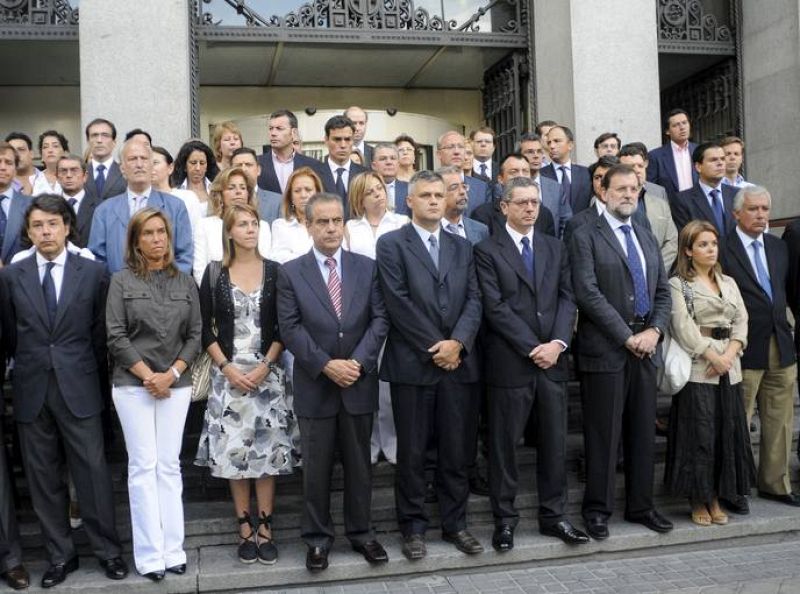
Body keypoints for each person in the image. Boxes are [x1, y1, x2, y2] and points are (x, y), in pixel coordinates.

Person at [0, 194, 128, 587]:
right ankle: (60, 555)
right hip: (31, 389)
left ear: (67, 226)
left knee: (91, 473)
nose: (45, 232)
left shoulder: (92, 273)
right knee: (43, 478)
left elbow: (98, 334)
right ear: (28, 231)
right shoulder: (11, 276)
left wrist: (83, 371)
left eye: (52, 224)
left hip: (80, 385)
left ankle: (108, 551)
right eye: (37, 226)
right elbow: (9, 334)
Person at [277, 192, 390, 571]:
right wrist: (327, 365)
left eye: (336, 221)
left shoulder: (367, 266)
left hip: (358, 382)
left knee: (360, 466)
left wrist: (356, 362)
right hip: (316, 385)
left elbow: (380, 320)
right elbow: (290, 329)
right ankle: (317, 540)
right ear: (308, 226)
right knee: (317, 469)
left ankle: (362, 534)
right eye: (322, 221)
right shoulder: (290, 272)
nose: (330, 228)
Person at [474, 177, 589, 551]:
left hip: (552, 362)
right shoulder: (487, 250)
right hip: (510, 363)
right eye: (521, 202)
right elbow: (495, 307)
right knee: (504, 447)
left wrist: (556, 343)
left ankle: (554, 516)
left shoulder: (555, 247)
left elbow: (567, 297)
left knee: (554, 443)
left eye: (534, 202)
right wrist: (531, 346)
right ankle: (505, 520)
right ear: (504, 207)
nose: (529, 208)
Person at [376, 170, 484, 560]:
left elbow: (475, 298)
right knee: (413, 454)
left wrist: (458, 343)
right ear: (409, 200)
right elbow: (397, 301)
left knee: (457, 451)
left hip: (459, 365)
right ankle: (413, 528)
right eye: (426, 195)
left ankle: (456, 525)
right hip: (413, 365)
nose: (435, 201)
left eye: (440, 194)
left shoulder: (463, 246)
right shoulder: (391, 244)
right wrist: (436, 346)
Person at [570, 164, 673, 540]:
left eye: (634, 189)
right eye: (621, 189)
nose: (629, 194)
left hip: (645, 347)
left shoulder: (644, 235)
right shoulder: (585, 235)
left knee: (643, 432)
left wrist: (655, 331)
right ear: (603, 193)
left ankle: (642, 506)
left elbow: (663, 291)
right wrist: (626, 336)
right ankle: (597, 511)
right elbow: (587, 292)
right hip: (607, 349)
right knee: (603, 435)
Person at [195, 203, 299, 565]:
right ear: (229, 232)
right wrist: (225, 367)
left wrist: (266, 365)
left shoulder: (276, 272)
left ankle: (266, 528)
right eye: (242, 224)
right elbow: (202, 327)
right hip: (228, 378)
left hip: (267, 376)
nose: (250, 229)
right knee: (235, 457)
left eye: (254, 223)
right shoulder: (214, 273)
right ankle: (244, 528)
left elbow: (285, 324)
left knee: (267, 456)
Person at [106, 208, 201, 581]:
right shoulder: (121, 281)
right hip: (133, 386)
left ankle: (173, 550)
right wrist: (149, 377)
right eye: (148, 233)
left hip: (175, 385)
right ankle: (149, 556)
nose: (157, 238)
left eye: (162, 231)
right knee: (142, 468)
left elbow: (195, 334)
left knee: (169, 466)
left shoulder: (185, 282)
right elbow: (115, 335)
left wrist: (172, 373)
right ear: (135, 240)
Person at [664, 220, 755, 525]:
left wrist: (729, 353)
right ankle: (698, 497)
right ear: (688, 250)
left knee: (725, 433)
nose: (710, 249)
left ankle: (717, 495)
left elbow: (742, 319)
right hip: (699, 368)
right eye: (702, 244)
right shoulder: (679, 283)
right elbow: (682, 327)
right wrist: (711, 354)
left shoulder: (728, 281)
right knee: (699, 434)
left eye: (713, 244)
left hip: (730, 366)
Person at [721, 186, 800, 508]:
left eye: (765, 209)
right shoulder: (723, 248)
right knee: (738, 418)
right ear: (736, 213)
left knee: (780, 420)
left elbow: (789, 290)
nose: (761, 215)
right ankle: (735, 487)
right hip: (742, 346)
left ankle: (775, 483)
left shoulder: (777, 247)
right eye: (753, 209)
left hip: (780, 342)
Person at [345, 171, 408, 465]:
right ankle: (370, 443)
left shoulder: (401, 224)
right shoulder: (349, 228)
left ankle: (393, 443)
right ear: (360, 198)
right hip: (360, 312)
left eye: (380, 189)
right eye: (370, 192)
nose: (378, 195)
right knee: (366, 381)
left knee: (390, 383)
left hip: (395, 311)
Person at [88, 140, 193, 274]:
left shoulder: (176, 207)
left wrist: (168, 289)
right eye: (132, 159)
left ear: (151, 165)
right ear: (122, 168)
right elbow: (96, 260)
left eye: (144, 158)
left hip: (164, 291)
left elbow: (184, 257)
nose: (139, 164)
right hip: (118, 291)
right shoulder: (104, 211)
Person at [192, 166, 271, 284]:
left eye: (243, 188)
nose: (238, 191)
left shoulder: (262, 226)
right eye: (231, 187)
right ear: (220, 194)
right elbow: (200, 270)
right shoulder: (205, 225)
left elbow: (265, 263)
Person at [618, 144, 679, 270]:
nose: (637, 170)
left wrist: (655, 269)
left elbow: (671, 242)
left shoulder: (660, 202)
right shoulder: (610, 201)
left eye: (640, 166)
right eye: (630, 167)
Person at [670, 143, 737, 238]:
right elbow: (686, 238)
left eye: (722, 159)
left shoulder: (738, 194)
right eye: (713, 160)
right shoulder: (682, 200)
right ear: (698, 167)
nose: (720, 163)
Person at [256, 109, 320, 195]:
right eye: (271, 129)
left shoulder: (312, 165)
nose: (273, 133)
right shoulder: (257, 163)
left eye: (279, 129)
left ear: (294, 132)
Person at [316, 115, 367, 218]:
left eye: (347, 139)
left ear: (353, 141)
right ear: (326, 140)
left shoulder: (366, 175)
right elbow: (295, 205)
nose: (343, 145)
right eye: (337, 139)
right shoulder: (314, 174)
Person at [270, 166, 322, 264]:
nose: (303, 195)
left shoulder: (329, 224)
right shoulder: (280, 225)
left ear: (318, 193)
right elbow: (278, 257)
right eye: (297, 191)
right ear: (291, 197)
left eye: (308, 190)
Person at [646, 108, 698, 200]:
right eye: (676, 125)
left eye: (684, 123)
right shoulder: (655, 156)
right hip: (670, 209)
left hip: (698, 207)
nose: (682, 127)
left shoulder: (699, 150)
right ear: (667, 131)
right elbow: (651, 189)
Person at [150, 146, 203, 236]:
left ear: (170, 168)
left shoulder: (187, 197)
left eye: (155, 163)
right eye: (147, 163)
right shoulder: (141, 199)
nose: (150, 167)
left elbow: (197, 233)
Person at [540, 125, 592, 215]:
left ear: (570, 145)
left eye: (557, 141)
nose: (552, 146)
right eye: (549, 143)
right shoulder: (540, 175)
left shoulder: (586, 173)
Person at [436, 131, 490, 215]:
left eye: (461, 147)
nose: (456, 152)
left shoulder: (482, 188)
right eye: (450, 147)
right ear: (439, 154)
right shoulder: (427, 185)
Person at [55, 153, 101, 248]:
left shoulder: (101, 207)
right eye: (63, 171)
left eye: (74, 171)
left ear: (85, 176)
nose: (68, 175)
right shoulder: (49, 208)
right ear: (57, 177)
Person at [230, 147, 283, 225]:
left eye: (248, 165)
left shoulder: (278, 201)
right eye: (238, 165)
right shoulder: (223, 199)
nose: (244, 169)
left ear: (258, 170)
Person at [0, 141, 32, 265]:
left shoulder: (31, 205)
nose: (3, 167)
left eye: (8, 163)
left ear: (15, 170)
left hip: (19, 279)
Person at [439, 166, 488, 245]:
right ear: (439, 194)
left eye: (464, 186)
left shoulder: (481, 230)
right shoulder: (429, 229)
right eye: (454, 187)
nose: (462, 192)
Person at [170, 140, 219, 216]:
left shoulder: (216, 188)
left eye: (202, 163)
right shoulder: (175, 190)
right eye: (193, 163)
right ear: (184, 166)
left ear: (207, 166)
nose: (198, 168)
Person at [84, 118, 127, 202]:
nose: (99, 140)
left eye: (105, 135)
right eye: (94, 135)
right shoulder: (80, 172)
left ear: (114, 142)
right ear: (88, 141)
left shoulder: (125, 172)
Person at [370, 143, 408, 215]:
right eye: (383, 159)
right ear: (373, 166)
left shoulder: (410, 189)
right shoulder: (365, 190)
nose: (389, 162)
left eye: (393, 158)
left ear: (398, 164)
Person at [32, 130, 68, 196]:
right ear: (41, 155)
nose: (50, 150)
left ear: (64, 152)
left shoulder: (73, 176)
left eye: (55, 146)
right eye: (45, 147)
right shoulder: (33, 180)